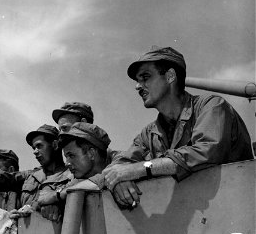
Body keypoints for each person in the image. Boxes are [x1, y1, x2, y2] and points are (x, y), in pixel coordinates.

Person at [104, 46, 254, 208]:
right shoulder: (149, 132)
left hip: (237, 210)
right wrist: (117, 179)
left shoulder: (211, 106)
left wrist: (138, 169)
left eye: (145, 77)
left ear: (170, 76)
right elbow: (121, 163)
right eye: (137, 81)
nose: (138, 86)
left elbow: (205, 153)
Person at [52, 102, 141, 207]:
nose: (60, 135)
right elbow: (45, 198)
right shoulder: (75, 171)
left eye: (65, 129)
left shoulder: (121, 160)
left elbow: (117, 172)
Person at [37, 122, 111, 206]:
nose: (67, 163)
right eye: (66, 157)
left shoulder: (120, 172)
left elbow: (107, 178)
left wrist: (63, 194)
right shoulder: (78, 180)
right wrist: (55, 201)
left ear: (91, 153)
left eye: (71, 155)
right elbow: (42, 198)